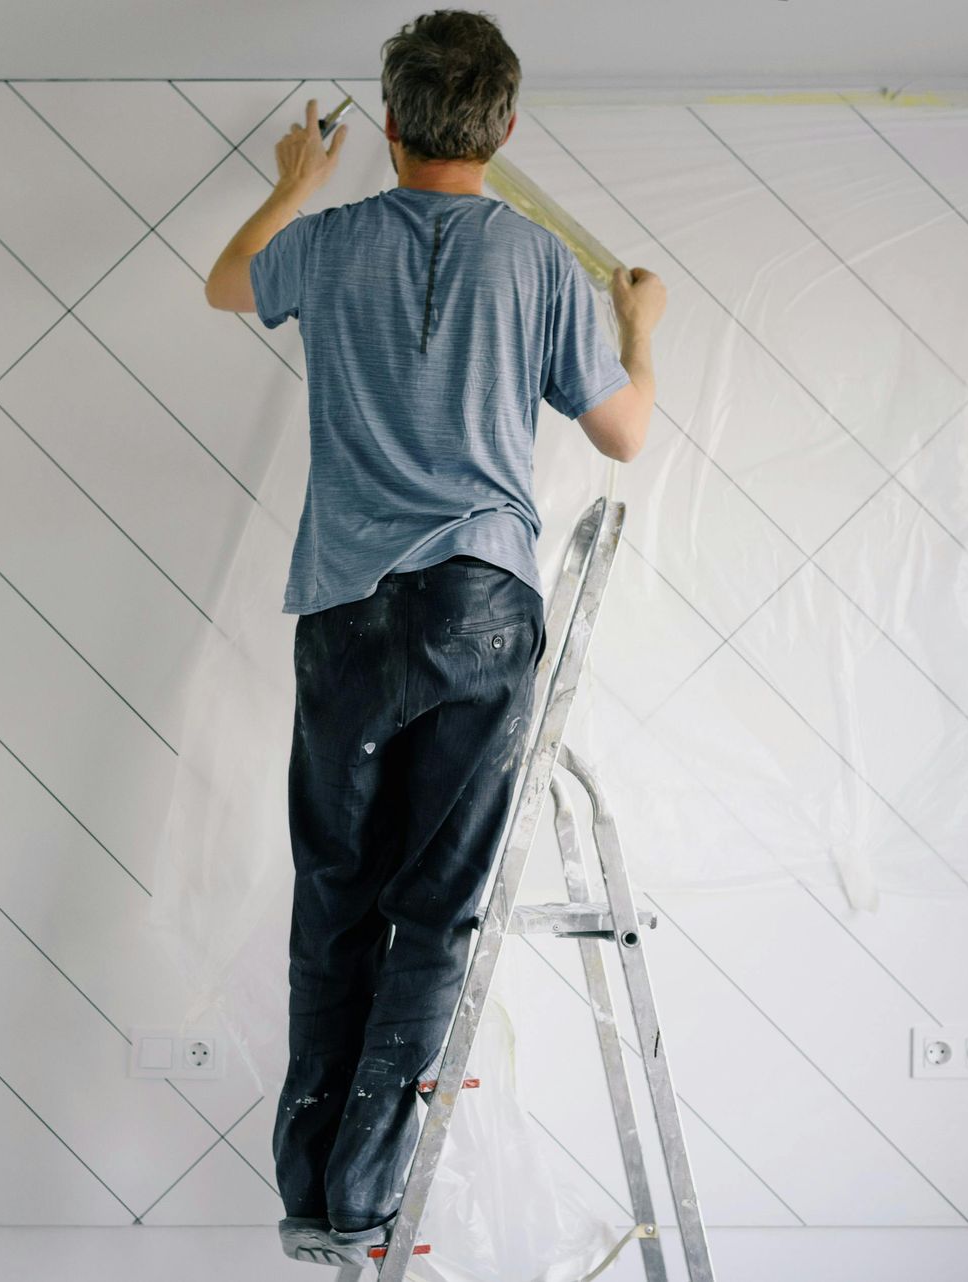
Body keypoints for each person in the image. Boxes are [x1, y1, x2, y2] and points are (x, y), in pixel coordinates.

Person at [202, 8, 666, 1266]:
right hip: (478, 604)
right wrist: (641, 329)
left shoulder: (332, 242)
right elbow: (623, 434)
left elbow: (227, 283)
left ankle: (315, 1203)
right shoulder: (534, 263)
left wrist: (293, 184)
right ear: (504, 128)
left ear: (393, 123)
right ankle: (369, 1201)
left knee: (337, 898)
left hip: (348, 611)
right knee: (437, 910)